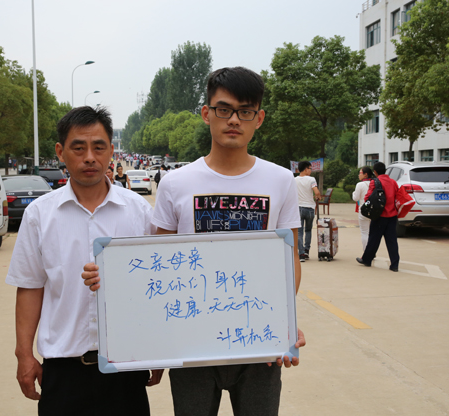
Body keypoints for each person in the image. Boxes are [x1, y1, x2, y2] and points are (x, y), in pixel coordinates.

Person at [83, 66, 306, 416]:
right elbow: (158, 263)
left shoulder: (279, 180)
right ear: (206, 113)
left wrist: (283, 321)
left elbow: (288, 260)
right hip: (191, 345)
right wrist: (112, 275)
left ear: (259, 118)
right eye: (224, 109)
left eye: (245, 111)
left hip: (258, 344)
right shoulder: (176, 183)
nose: (234, 120)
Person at [6, 106, 161, 416]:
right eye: (78, 148)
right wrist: (24, 354)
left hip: (125, 367)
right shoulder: (39, 215)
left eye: (98, 147)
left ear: (111, 151)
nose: (89, 157)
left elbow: (156, 284)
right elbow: (30, 287)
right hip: (63, 372)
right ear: (60, 152)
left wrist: (159, 349)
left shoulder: (138, 212)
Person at [357, 161, 400, 272]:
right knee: (392, 240)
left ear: (375, 172)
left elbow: (367, 197)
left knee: (374, 239)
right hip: (392, 215)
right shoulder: (393, 182)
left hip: (379, 215)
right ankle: (394, 264)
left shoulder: (375, 182)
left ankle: (367, 260)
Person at [295, 161, 321, 262]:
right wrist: (318, 196)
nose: (311, 171)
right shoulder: (311, 179)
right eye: (310, 168)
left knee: (299, 232)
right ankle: (306, 251)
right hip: (310, 208)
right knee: (308, 230)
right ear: (306, 169)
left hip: (298, 208)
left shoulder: (294, 180)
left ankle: (301, 254)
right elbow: (316, 192)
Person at [352, 166, 374, 251]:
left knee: (364, 232)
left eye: (360, 173)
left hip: (364, 211)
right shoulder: (375, 183)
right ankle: (372, 251)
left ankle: (366, 253)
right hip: (375, 211)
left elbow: (355, 198)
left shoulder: (360, 184)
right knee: (372, 233)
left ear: (365, 174)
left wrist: (353, 193)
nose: (359, 175)